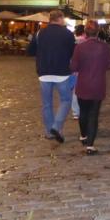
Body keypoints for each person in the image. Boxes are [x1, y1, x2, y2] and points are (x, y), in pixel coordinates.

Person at [27, 10, 76, 143]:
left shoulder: (39, 33)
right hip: (62, 72)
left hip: (44, 72)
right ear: (59, 19)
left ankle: (49, 132)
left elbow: (30, 51)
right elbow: (73, 52)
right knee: (66, 100)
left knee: (47, 104)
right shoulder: (67, 34)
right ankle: (56, 126)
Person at [70, 20, 110, 155]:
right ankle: (90, 145)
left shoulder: (79, 48)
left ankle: (83, 135)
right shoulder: (104, 47)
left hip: (83, 84)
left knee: (83, 112)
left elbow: (73, 67)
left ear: (85, 33)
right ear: (98, 32)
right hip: (98, 84)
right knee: (93, 114)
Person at [69, 25, 88, 120]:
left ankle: (76, 112)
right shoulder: (86, 43)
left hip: (74, 69)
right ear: (84, 33)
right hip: (84, 69)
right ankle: (84, 109)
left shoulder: (72, 42)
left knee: (75, 91)